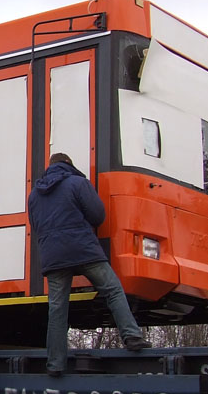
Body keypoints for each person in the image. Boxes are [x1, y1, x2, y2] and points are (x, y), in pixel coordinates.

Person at [27, 153, 150, 377]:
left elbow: (36, 226)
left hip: (54, 256)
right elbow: (98, 215)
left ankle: (55, 363)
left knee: (57, 309)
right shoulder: (78, 183)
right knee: (112, 290)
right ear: (68, 165)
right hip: (83, 250)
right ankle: (132, 336)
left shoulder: (34, 194)